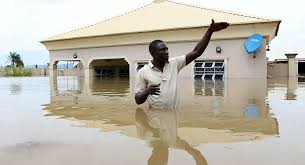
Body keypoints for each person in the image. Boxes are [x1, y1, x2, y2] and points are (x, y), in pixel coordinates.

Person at [135, 19, 229, 108]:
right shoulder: (143, 72)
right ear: (153, 53)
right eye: (162, 50)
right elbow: (138, 100)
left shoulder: (174, 63)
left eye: (167, 49)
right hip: (155, 118)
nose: (167, 52)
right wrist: (147, 91)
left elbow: (196, 52)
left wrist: (210, 31)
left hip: (173, 118)